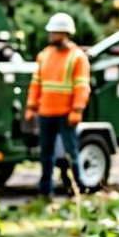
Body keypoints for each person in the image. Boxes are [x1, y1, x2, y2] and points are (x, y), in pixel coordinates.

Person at [24, 12, 90, 196]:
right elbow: (36, 83)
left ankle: (79, 186)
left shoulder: (77, 57)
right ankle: (45, 190)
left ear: (65, 34)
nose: (51, 35)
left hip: (66, 113)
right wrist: (31, 107)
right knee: (46, 153)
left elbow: (82, 86)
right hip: (46, 112)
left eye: (55, 32)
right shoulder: (44, 56)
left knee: (71, 152)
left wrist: (77, 110)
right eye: (50, 32)